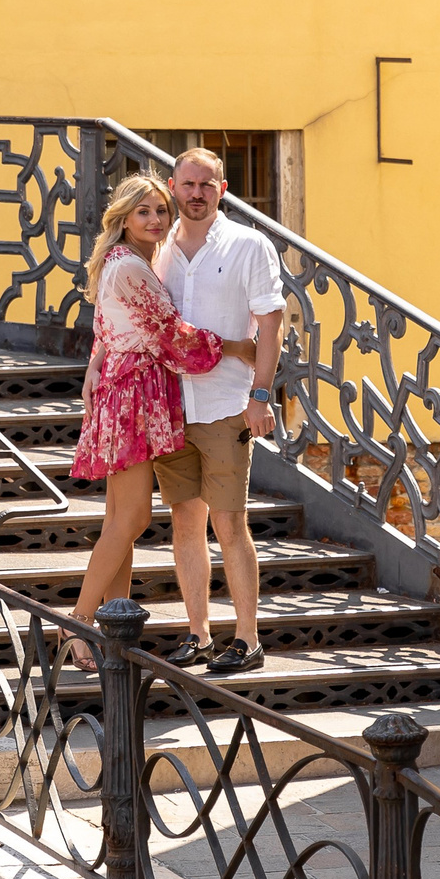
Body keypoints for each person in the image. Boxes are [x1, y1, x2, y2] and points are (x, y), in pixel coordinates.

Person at [66, 172, 256, 666]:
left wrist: (95, 363)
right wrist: (238, 348)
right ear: (124, 217)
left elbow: (107, 326)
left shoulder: (123, 259)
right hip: (132, 394)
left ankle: (114, 624)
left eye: (160, 211)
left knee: (118, 521)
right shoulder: (132, 266)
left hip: (124, 389)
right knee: (132, 518)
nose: (155, 219)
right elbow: (172, 336)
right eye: (143, 211)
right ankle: (78, 623)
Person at [152, 148, 285, 675]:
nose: (197, 194)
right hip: (170, 406)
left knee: (230, 523)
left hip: (227, 405)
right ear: (172, 186)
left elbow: (271, 324)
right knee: (185, 523)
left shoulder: (249, 245)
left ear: (222, 189)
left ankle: (248, 639)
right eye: (188, 184)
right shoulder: (158, 248)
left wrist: (261, 395)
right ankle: (199, 634)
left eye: (207, 184)